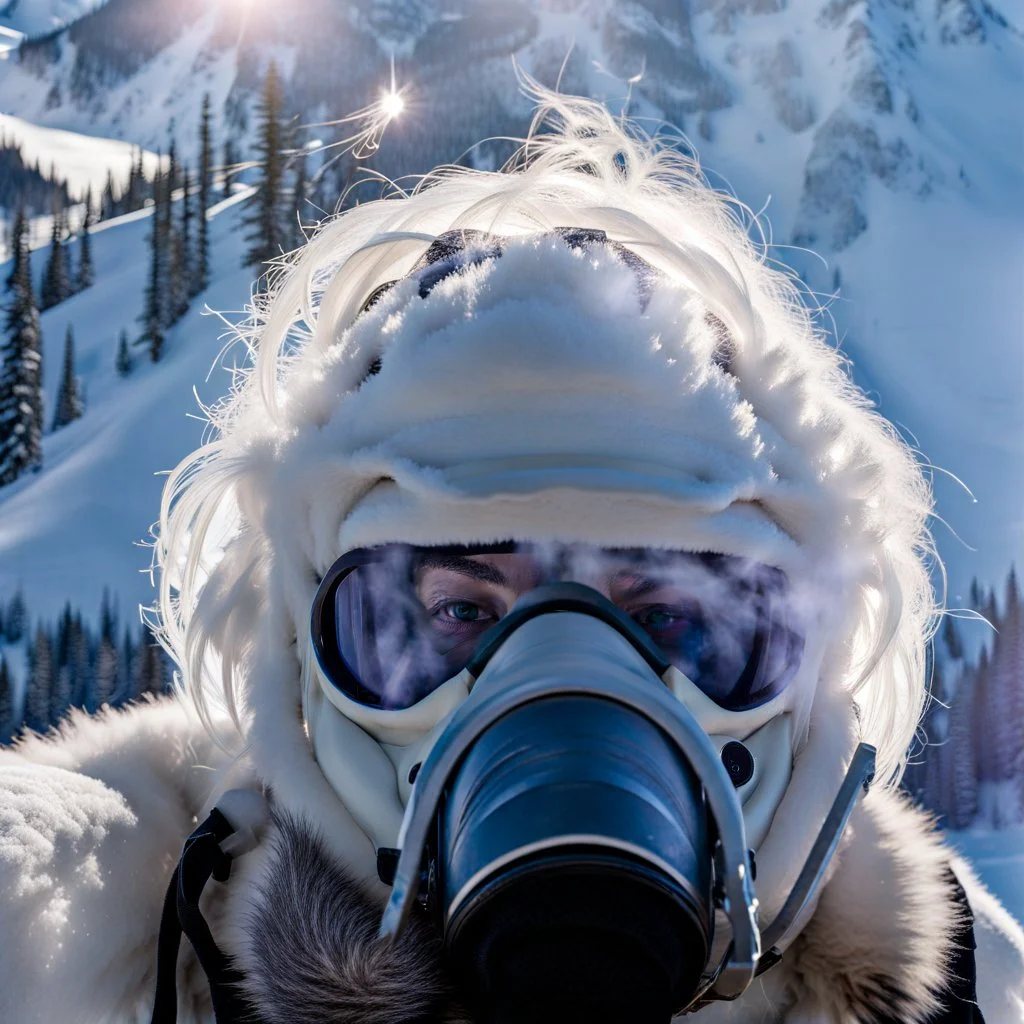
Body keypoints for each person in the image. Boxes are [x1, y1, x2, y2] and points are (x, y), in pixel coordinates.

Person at [1, 91, 1022, 1024]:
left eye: (669, 614)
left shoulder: (963, 980)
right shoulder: (111, 902)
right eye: (456, 613)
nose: (559, 679)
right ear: (304, 661)